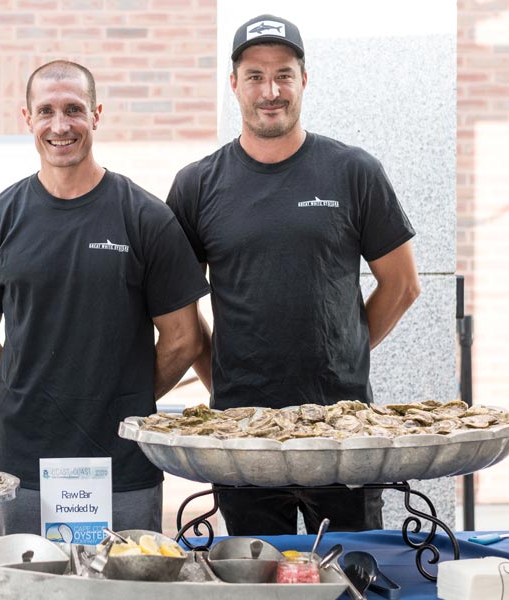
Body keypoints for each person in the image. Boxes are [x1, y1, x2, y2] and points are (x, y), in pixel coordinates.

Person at [165, 15, 421, 535]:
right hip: (244, 438)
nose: (271, 90)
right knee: (258, 576)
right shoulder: (195, 185)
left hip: (343, 432)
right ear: (233, 83)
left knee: (354, 574)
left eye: (284, 74)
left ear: (304, 79)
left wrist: (345, 350)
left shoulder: (353, 171)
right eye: (255, 76)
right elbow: (179, 315)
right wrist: (224, 382)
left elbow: (402, 284)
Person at [0, 60, 211, 535]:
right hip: (23, 463)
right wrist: (27, 390)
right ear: (27, 119)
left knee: (123, 585)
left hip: (122, 461)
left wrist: (124, 400)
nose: (60, 125)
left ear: (97, 115)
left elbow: (184, 340)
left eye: (73, 109)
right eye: (45, 111)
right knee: (23, 584)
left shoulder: (146, 218)